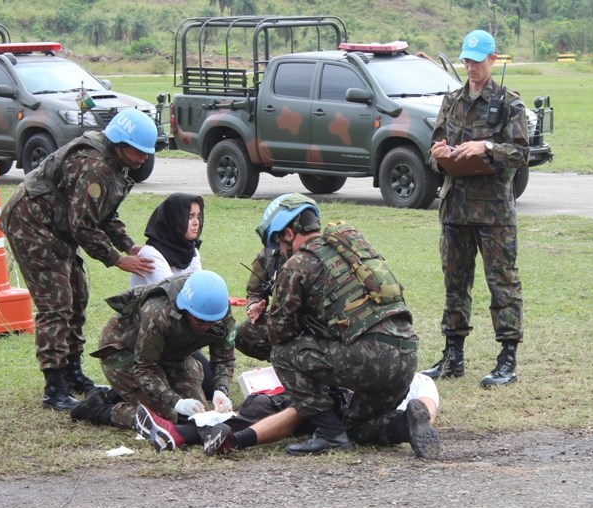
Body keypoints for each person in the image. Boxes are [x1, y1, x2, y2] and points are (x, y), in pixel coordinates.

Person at [255, 193, 438, 457]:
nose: (281, 253)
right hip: (406, 357)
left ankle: (329, 435)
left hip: (368, 356)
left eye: (279, 244)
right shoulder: (353, 252)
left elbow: (279, 333)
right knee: (355, 427)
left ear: (288, 233)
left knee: (282, 354)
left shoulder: (297, 264)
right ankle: (407, 425)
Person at [0, 108, 158, 411]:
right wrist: (116, 259)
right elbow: (83, 225)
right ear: (121, 144)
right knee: (56, 304)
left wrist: (129, 246)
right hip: (31, 225)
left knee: (78, 295)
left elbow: (106, 213)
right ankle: (54, 388)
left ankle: (72, 374)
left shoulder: (116, 164)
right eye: (139, 152)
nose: (143, 158)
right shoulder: (93, 166)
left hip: (57, 227)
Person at [421, 29, 530, 388]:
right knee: (455, 284)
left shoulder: (509, 103)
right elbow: (436, 145)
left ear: (493, 60)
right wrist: (439, 154)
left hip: (494, 213)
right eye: (466, 60)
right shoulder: (451, 101)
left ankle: (507, 358)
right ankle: (453, 356)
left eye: (477, 61)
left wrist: (485, 147)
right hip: (455, 209)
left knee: (502, 284)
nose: (471, 67)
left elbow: (520, 154)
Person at [135, 371, 442, 459]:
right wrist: (416, 420)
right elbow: (427, 407)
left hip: (348, 409)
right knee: (289, 407)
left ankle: (187, 435)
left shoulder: (393, 370)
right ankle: (183, 435)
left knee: (291, 407)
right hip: (373, 422)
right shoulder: (420, 381)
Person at [70, 270, 236, 431]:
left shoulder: (219, 311)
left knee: (198, 415)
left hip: (172, 354)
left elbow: (224, 359)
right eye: (199, 322)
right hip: (126, 352)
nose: (206, 327)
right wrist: (176, 402)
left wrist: (221, 390)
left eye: (211, 322)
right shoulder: (159, 312)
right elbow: (145, 368)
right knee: (165, 417)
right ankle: (97, 409)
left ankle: (128, 393)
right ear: (185, 309)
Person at [128, 193, 215, 398]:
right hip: (147, 336)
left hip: (176, 334)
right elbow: (177, 299)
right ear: (174, 219)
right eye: (189, 216)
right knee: (162, 395)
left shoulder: (190, 251)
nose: (196, 223)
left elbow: (200, 291)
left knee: (209, 387)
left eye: (198, 216)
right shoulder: (151, 255)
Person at [234, 221, 287, 362]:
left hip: (309, 324)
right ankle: (281, 363)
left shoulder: (310, 255)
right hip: (282, 319)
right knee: (241, 334)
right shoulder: (267, 255)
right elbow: (255, 291)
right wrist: (254, 305)